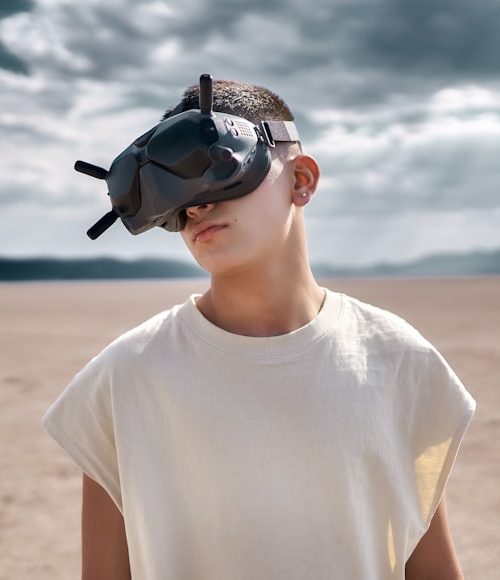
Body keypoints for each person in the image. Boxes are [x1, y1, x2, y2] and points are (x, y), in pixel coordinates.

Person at [42, 78, 476, 580]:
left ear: (301, 180)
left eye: (218, 165)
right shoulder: (125, 378)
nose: (197, 207)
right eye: (174, 199)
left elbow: (433, 567)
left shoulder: (399, 359)